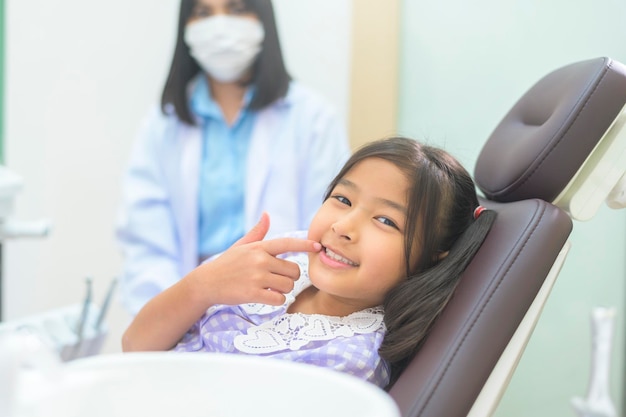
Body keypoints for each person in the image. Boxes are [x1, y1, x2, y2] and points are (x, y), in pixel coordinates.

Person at [122, 136, 497, 390]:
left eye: (386, 221)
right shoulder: (279, 261)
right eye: (342, 199)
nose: (343, 226)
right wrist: (203, 285)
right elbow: (135, 346)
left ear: (433, 255)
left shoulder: (349, 361)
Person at [116, 0, 350, 315]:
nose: (220, 26)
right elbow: (147, 242)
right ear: (186, 27)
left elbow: (323, 235)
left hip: (284, 307)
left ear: (262, 18)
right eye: (203, 12)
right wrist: (175, 312)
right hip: (184, 310)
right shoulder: (163, 125)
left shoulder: (313, 119)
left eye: (237, 9)